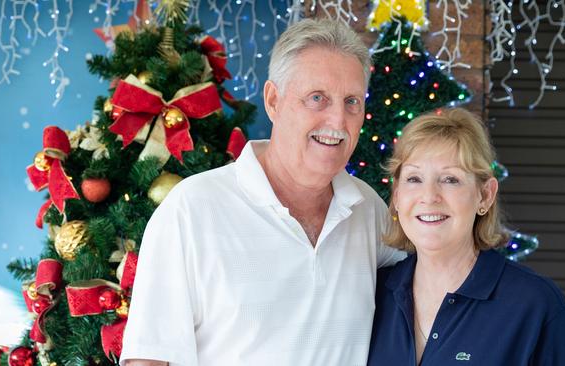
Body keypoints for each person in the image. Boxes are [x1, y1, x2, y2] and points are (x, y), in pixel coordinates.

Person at [120, 18, 405, 366]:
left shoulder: (368, 210)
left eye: (352, 102)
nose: (338, 121)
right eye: (317, 98)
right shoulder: (191, 210)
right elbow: (148, 359)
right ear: (273, 101)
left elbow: (436, 279)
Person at [368, 108, 565, 365]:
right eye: (414, 178)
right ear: (397, 194)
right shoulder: (373, 294)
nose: (429, 196)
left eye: (450, 179)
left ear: (485, 195)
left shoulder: (535, 305)